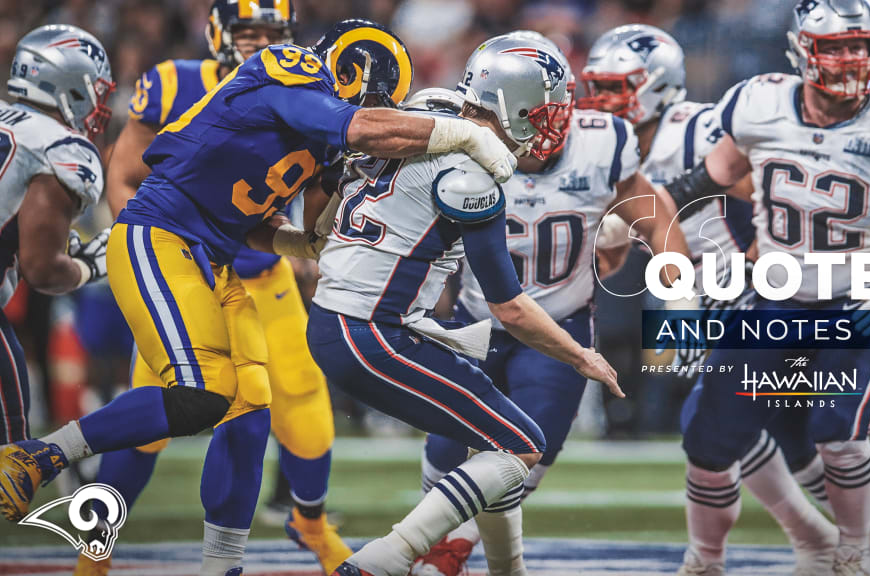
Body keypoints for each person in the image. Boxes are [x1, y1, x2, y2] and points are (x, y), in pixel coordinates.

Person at [0, 18, 519, 576]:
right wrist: (468, 134)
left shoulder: (320, 132)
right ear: (353, 68)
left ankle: (222, 565)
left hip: (215, 259)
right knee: (202, 394)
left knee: (248, 410)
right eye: (375, 100)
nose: (377, 115)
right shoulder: (290, 67)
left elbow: (249, 218)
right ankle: (41, 455)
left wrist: (302, 240)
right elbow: (359, 126)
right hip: (161, 236)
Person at [580, 21, 870, 575]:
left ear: (658, 85)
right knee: (772, 430)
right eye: (596, 87)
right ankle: (867, 552)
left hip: (744, 285)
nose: (602, 101)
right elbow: (637, 218)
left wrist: (758, 257)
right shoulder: (609, 143)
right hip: (700, 286)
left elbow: (762, 186)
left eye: (617, 88)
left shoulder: (693, 127)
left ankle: (834, 547)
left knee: (731, 423)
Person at [309, 34, 620, 576]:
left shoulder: (430, 112)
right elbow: (510, 307)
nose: (551, 125)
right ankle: (386, 558)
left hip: (342, 317)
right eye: (544, 112)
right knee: (521, 447)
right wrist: (581, 357)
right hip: (372, 333)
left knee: (493, 447)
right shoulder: (475, 176)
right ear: (510, 105)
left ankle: (507, 569)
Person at [663, 0, 870, 573]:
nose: (851, 59)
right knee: (707, 438)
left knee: (836, 433)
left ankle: (852, 552)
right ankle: (704, 559)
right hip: (776, 296)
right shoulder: (759, 103)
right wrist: (635, 220)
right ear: (801, 50)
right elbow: (700, 182)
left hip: (860, 299)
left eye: (860, 45)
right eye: (836, 47)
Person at [74, 2, 350, 574]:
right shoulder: (175, 82)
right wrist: (152, 253)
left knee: (295, 396)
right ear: (220, 33)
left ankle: (311, 527)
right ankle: (91, 554)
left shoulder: (310, 90)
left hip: (256, 272)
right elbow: (125, 176)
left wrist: (300, 244)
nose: (255, 42)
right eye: (247, 31)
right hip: (182, 270)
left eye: (269, 33)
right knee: (157, 413)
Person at [413, 32, 688, 576]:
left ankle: (443, 549)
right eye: (534, 111)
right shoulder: (455, 144)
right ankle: (454, 549)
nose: (553, 122)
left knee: (530, 450)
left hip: (559, 327)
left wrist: (678, 291)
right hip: (476, 321)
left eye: (557, 107)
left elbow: (655, 216)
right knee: (446, 452)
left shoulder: (603, 140)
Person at [0, 24, 113, 447]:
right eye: (96, 89)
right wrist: (86, 267)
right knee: (13, 461)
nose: (99, 102)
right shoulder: (60, 146)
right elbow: (43, 269)